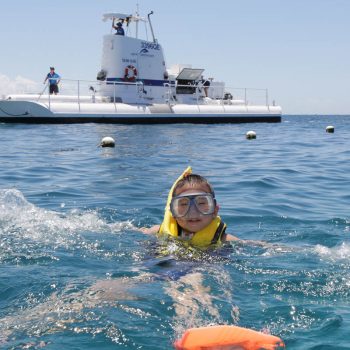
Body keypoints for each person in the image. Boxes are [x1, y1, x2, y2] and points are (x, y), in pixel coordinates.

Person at [141, 167, 239, 248]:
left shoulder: (224, 239)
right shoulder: (158, 231)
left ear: (215, 211)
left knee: (199, 272)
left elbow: (247, 244)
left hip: (208, 266)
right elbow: (140, 231)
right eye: (183, 204)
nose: (193, 212)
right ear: (173, 212)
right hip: (162, 262)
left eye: (201, 203)